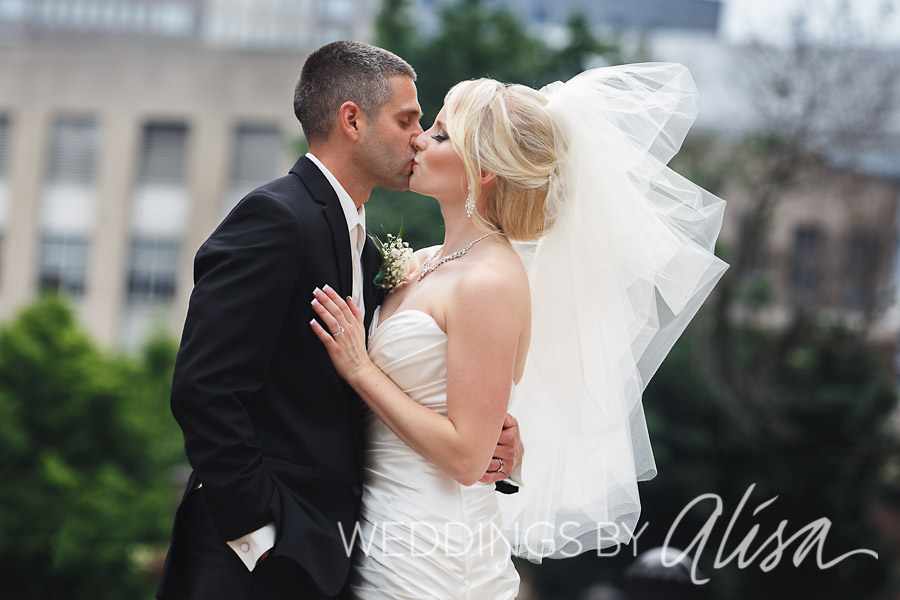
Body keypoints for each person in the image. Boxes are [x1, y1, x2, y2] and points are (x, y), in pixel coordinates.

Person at [311, 64, 728, 598]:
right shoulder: (426, 263)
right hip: (376, 532)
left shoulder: (491, 281)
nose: (418, 139)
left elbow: (466, 456)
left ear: (482, 169)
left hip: (434, 557)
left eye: (439, 134)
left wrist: (361, 369)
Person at [156, 41, 521, 600]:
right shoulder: (275, 219)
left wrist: (500, 441)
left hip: (352, 551)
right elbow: (205, 390)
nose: (419, 137)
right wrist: (258, 533)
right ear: (352, 120)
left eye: (427, 125)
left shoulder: (374, 256)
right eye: (407, 120)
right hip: (254, 561)